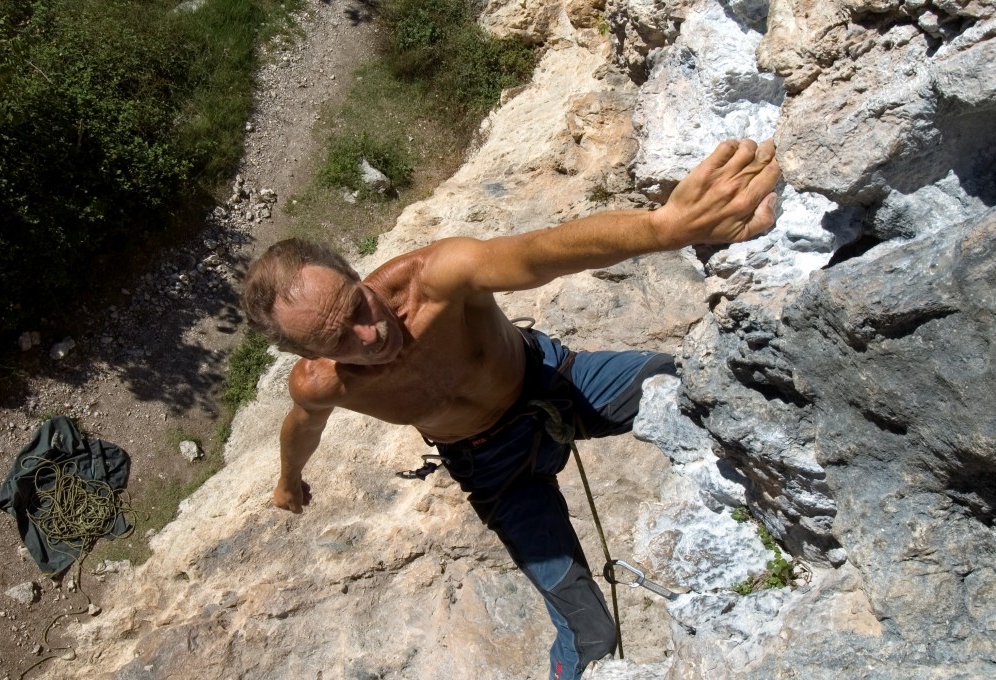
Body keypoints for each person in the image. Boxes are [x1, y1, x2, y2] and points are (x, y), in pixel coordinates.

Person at [242, 138, 781, 680]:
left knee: (706, 385)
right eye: (339, 339)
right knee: (591, 636)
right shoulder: (322, 386)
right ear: (308, 353)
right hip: (495, 469)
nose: (371, 333)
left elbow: (538, 253)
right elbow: (301, 428)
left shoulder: (437, 278)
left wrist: (664, 229)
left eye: (358, 304)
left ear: (355, 274)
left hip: (554, 384)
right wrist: (288, 480)